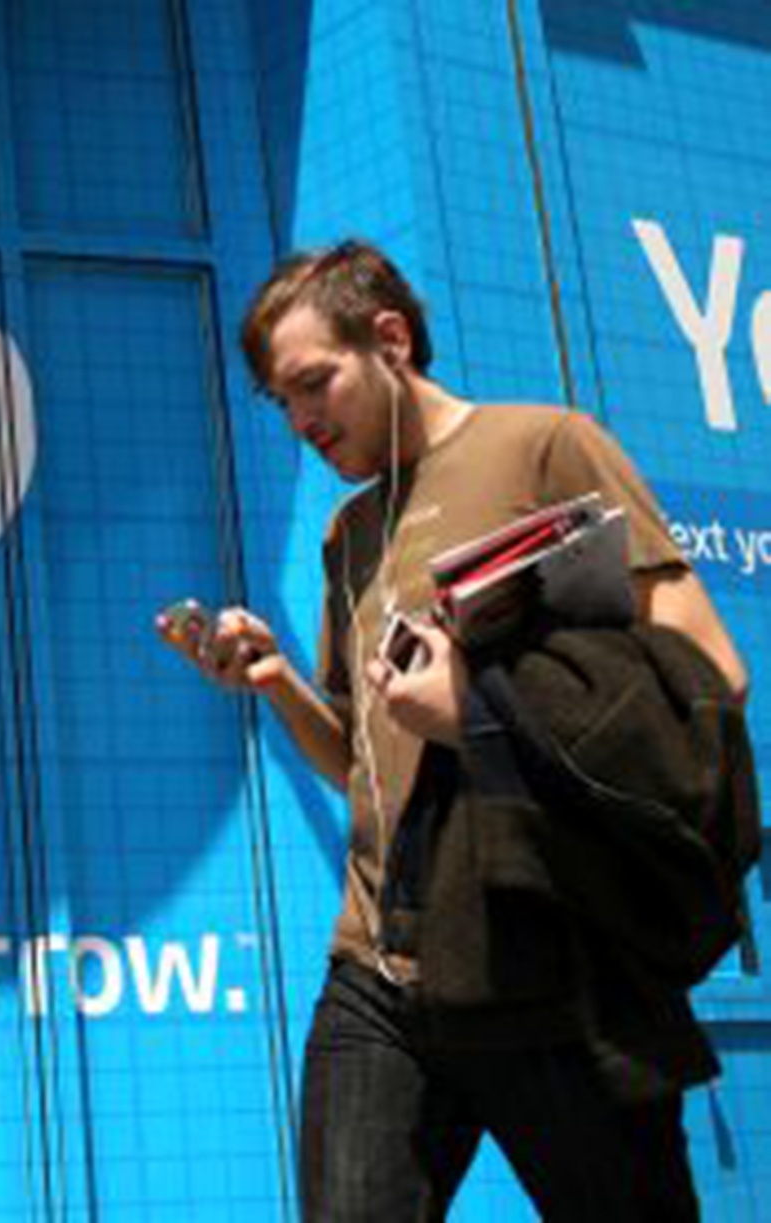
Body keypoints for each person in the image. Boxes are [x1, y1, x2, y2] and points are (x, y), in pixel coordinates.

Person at [158, 240, 750, 1220]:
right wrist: (276, 683)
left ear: (390, 340)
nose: (301, 421)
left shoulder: (545, 445)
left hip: (541, 951)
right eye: (280, 401)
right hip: (377, 965)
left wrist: (481, 710)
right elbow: (365, 764)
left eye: (314, 383)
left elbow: (708, 670)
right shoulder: (348, 533)